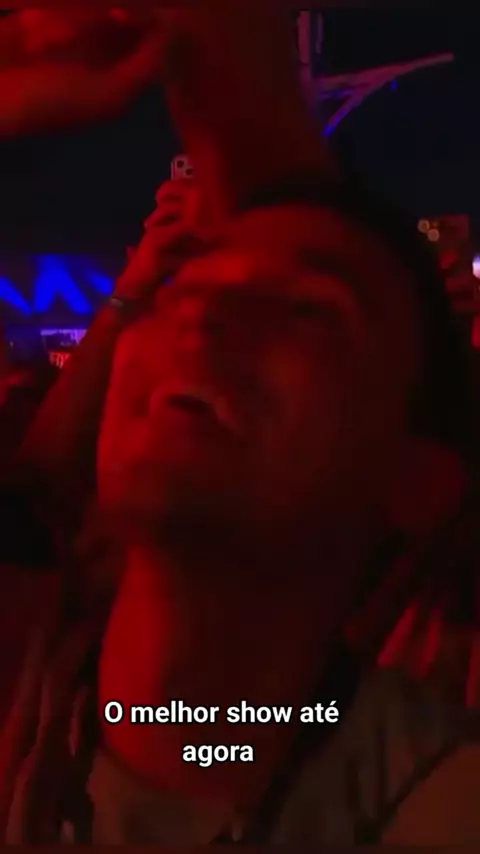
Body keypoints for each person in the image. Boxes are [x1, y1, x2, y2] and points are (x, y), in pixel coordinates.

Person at [0, 4, 478, 845]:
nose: (200, 320)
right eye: (181, 289)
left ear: (419, 478)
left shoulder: (440, 796)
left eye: (308, 310)